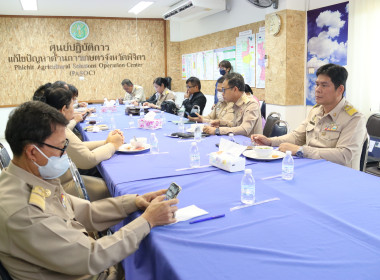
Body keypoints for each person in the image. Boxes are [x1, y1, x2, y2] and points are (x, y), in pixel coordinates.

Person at [0, 101, 179, 280]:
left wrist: (133, 202)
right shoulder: (26, 213)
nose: (65, 154)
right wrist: (148, 221)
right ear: (32, 152)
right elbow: (92, 257)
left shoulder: (32, 178)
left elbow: (84, 212)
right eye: (62, 147)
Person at [251, 64, 367, 170]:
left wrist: (301, 151)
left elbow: (344, 155)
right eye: (317, 84)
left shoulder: (354, 118)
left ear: (340, 89)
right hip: (312, 167)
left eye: (324, 85)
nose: (317, 90)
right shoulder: (316, 111)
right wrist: (270, 141)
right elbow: (297, 137)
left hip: (338, 175)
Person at [41, 87, 124, 200]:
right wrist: (113, 146)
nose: (74, 108)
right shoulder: (57, 128)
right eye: (73, 104)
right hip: (63, 186)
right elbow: (88, 160)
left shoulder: (49, 122)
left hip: (59, 179)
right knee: (115, 188)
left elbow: (77, 147)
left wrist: (106, 142)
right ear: (64, 109)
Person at [203, 72, 262, 137]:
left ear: (235, 89)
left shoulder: (251, 104)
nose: (222, 93)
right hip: (237, 141)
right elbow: (235, 125)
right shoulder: (236, 103)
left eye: (224, 90)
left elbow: (244, 129)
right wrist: (221, 123)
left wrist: (217, 130)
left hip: (250, 144)